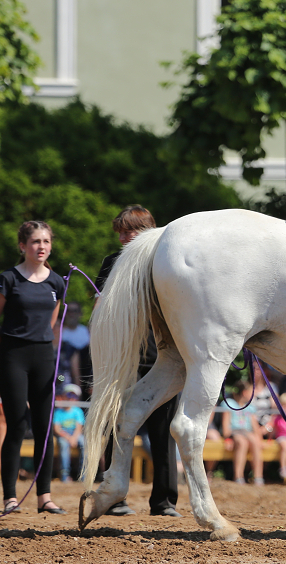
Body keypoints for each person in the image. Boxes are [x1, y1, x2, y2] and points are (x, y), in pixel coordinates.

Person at [95, 204, 182, 518]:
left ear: (149, 229)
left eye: (131, 229)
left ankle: (164, 501)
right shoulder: (111, 264)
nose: (124, 237)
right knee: (117, 426)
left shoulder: (166, 264)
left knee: (164, 431)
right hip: (124, 358)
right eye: (121, 231)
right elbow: (101, 309)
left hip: (163, 355)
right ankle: (115, 497)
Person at [0, 221, 66, 515]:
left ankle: (44, 496)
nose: (42, 247)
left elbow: (52, 321)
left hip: (43, 358)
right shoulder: (8, 278)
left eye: (46, 241)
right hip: (13, 356)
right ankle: (10, 496)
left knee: (45, 428)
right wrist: (1, 353)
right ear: (23, 246)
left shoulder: (57, 282)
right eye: (35, 241)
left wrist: (43, 345)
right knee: (17, 425)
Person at [222, 380, 264, 485]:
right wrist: (227, 438)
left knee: (254, 442)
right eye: (251, 392)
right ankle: (238, 477)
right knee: (242, 442)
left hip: (246, 432)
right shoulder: (229, 404)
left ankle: (258, 477)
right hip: (234, 432)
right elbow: (226, 426)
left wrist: (260, 440)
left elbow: (255, 427)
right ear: (245, 392)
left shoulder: (250, 407)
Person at [53, 383, 85, 482]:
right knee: (63, 445)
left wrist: (74, 438)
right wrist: (69, 438)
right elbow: (57, 429)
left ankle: (83, 475)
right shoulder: (58, 412)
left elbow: (79, 428)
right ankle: (64, 475)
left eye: (74, 396)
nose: (71, 399)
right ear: (63, 396)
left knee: (85, 444)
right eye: (69, 395)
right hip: (64, 435)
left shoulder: (78, 411)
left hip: (75, 434)